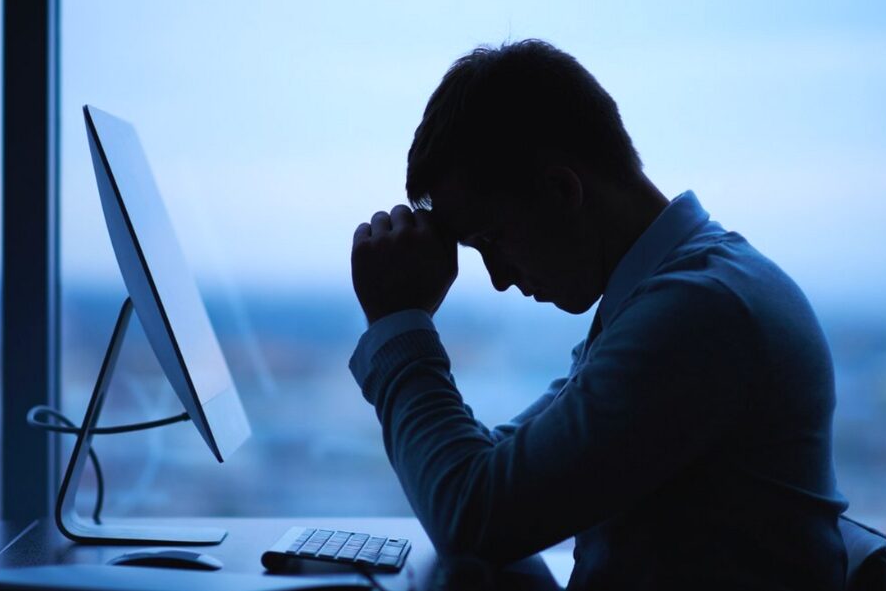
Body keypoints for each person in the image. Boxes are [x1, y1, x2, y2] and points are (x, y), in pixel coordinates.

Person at [349, 39, 848, 590]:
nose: (497, 278)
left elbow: (473, 513)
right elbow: (494, 480)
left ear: (562, 191)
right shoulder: (680, 293)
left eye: (492, 239)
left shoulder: (699, 315)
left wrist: (398, 320)